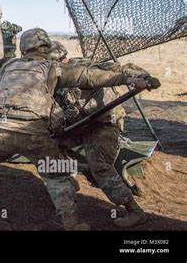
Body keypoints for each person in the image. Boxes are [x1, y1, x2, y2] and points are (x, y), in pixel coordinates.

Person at [0, 28, 157, 230]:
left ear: (23, 48)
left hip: (6, 131)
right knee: (55, 173)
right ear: (45, 48)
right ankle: (71, 224)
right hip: (38, 132)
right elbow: (89, 77)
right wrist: (130, 80)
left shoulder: (8, 67)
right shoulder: (52, 69)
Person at [49, 40, 158, 228]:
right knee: (50, 145)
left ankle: (135, 211)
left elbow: (123, 69)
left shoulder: (86, 67)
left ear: (61, 59)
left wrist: (145, 78)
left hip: (104, 124)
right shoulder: (53, 78)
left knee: (98, 164)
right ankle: (68, 179)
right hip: (79, 125)